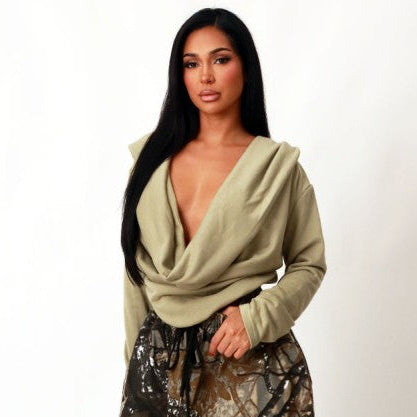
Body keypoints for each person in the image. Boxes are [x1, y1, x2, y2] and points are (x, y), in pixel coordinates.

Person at [119, 7, 327, 417]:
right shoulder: (150, 162)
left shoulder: (276, 169)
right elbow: (135, 276)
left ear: (245, 68)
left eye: (220, 59)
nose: (205, 76)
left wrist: (259, 318)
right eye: (191, 63)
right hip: (158, 364)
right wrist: (133, 372)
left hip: (249, 366)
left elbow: (309, 263)